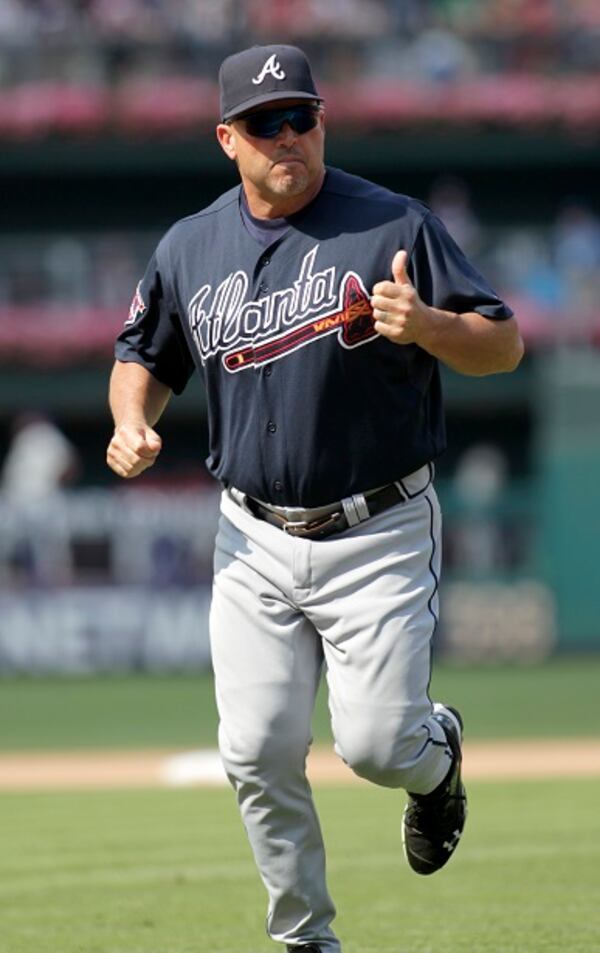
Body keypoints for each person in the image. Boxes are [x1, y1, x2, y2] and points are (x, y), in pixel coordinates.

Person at [106, 44, 523, 953]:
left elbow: (504, 343)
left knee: (376, 746)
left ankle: (435, 754)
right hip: (250, 538)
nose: (289, 135)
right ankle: (304, 938)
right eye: (266, 123)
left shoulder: (391, 224)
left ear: (322, 120)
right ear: (229, 138)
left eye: (303, 115)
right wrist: (130, 419)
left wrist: (434, 326)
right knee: (254, 750)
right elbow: (142, 354)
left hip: (376, 528)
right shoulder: (191, 245)